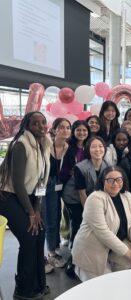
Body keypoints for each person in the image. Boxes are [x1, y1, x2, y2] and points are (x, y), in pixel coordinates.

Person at [0, 112, 51, 299]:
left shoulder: (44, 145)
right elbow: (18, 183)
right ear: (27, 126)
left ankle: (38, 284)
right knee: (29, 237)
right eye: (35, 123)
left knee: (40, 233)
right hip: (7, 195)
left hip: (28, 196)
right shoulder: (21, 144)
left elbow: (42, 182)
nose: (40, 126)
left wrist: (37, 209)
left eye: (43, 122)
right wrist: (31, 212)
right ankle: (23, 289)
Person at [72, 166, 131, 281]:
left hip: (112, 248)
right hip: (91, 250)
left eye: (119, 180)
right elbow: (103, 232)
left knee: (118, 278)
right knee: (100, 288)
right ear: (102, 181)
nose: (115, 184)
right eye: (110, 180)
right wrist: (130, 253)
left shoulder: (127, 196)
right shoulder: (95, 198)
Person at [43, 118, 71, 272]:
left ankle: (55, 245)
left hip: (62, 185)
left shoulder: (68, 147)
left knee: (58, 217)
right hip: (47, 185)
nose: (65, 130)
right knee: (49, 218)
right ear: (54, 130)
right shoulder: (46, 144)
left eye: (68, 127)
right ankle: (51, 252)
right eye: (61, 127)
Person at [60, 120, 91, 248]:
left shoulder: (89, 147)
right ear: (73, 132)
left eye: (84, 130)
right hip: (70, 190)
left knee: (83, 221)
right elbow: (62, 168)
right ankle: (74, 249)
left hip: (85, 189)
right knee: (77, 220)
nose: (82, 133)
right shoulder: (67, 147)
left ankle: (80, 246)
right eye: (78, 130)